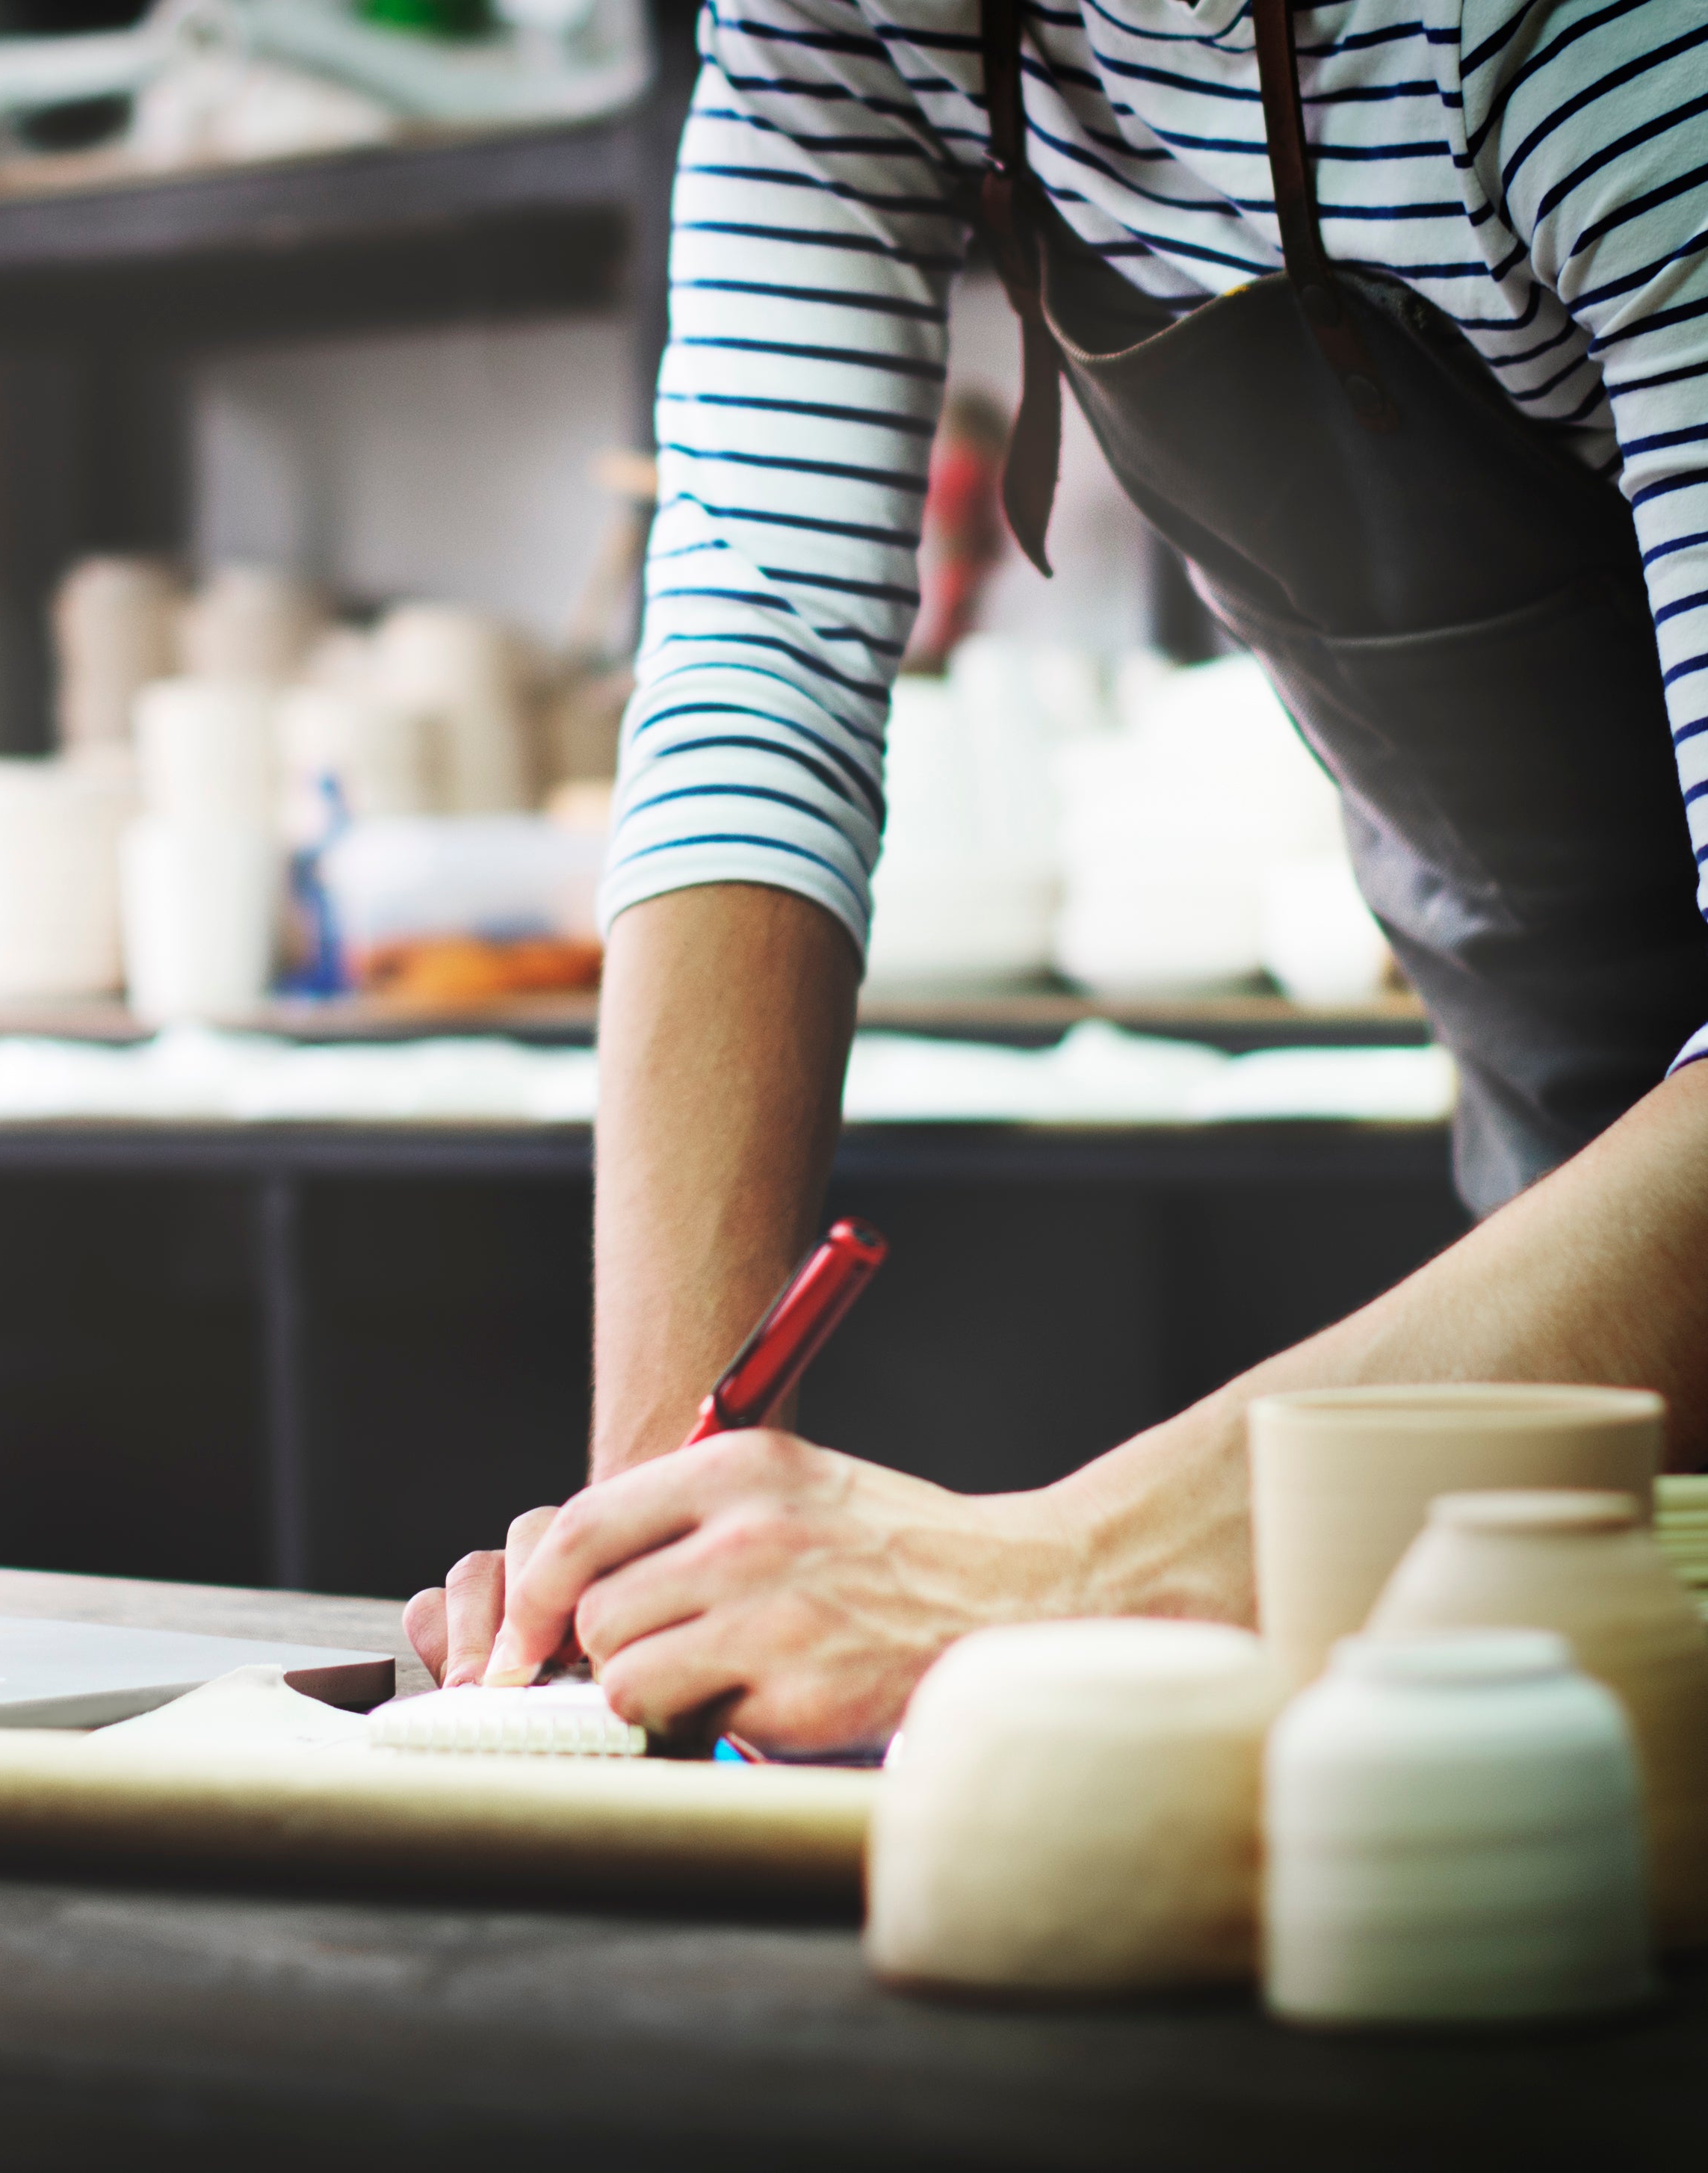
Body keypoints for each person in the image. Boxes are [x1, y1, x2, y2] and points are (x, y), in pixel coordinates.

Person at [406, 0, 1708, 1752]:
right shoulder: (846, 17)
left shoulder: (1574, 35)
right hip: (1575, 1195)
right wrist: (655, 1547)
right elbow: (755, 659)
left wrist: (1049, 1570)